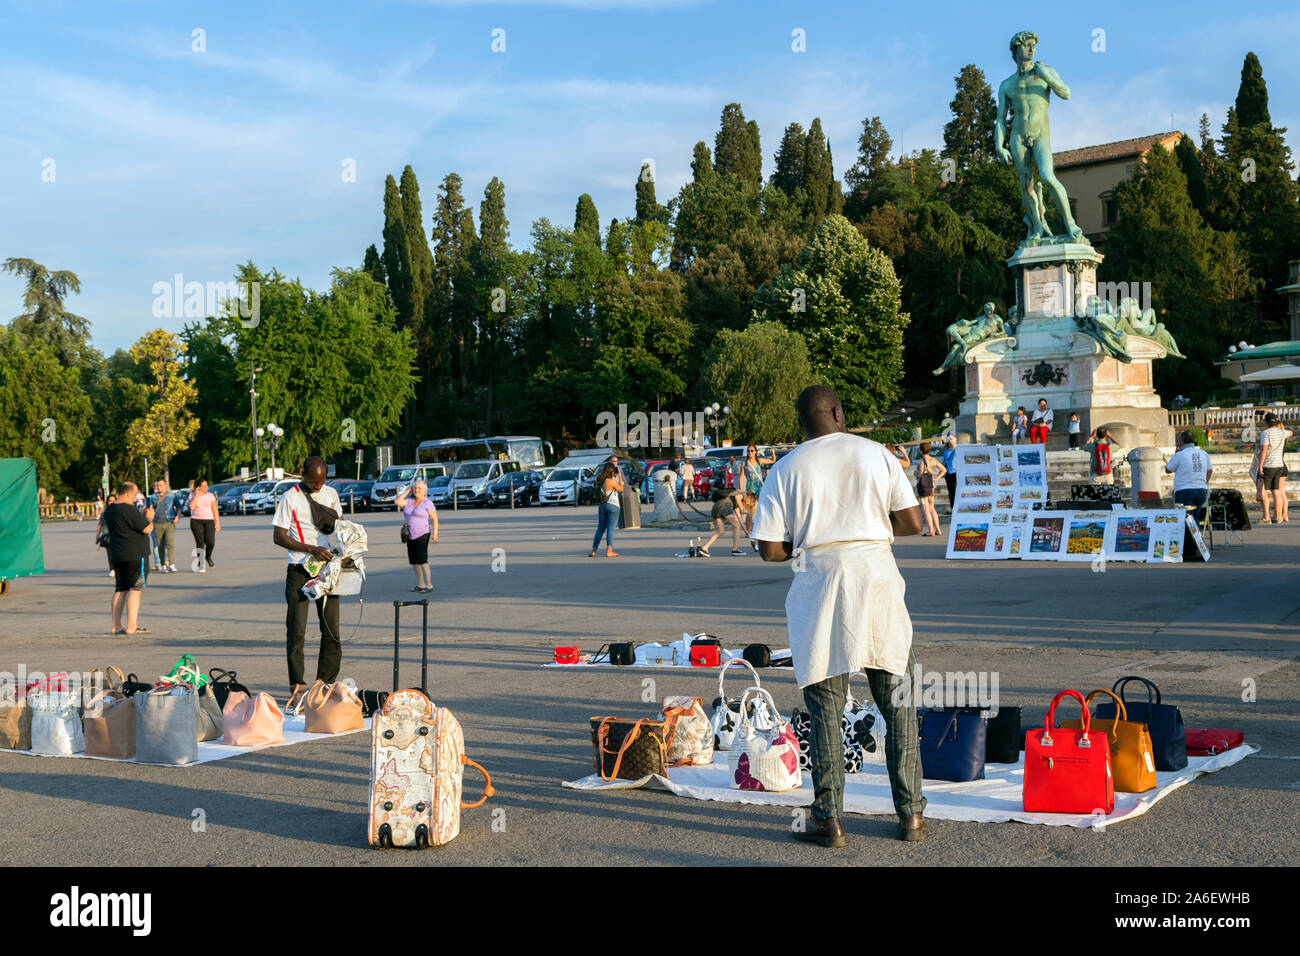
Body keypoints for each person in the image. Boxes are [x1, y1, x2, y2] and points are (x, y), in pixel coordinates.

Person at [753, 385, 926, 847]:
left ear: (803, 421)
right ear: (837, 411)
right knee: (898, 700)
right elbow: (912, 522)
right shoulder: (877, 454)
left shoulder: (784, 468)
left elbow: (769, 549)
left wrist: (814, 538)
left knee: (826, 707)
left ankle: (829, 818)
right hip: (876, 577)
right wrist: (864, 532)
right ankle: (911, 814)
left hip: (819, 582)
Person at [273, 458, 344, 707]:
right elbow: (278, 536)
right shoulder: (290, 497)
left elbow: (340, 528)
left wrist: (346, 549)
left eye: (321, 481)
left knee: (331, 629)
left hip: (326, 570)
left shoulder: (332, 493)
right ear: (302, 475)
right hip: (299, 569)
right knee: (297, 630)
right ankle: (298, 685)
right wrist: (311, 548)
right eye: (313, 481)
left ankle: (324, 683)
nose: (317, 486)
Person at [102, 482, 154, 635]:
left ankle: (116, 626)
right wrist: (149, 518)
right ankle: (132, 626)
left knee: (120, 589)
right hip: (136, 554)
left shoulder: (110, 509)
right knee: (135, 589)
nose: (136, 496)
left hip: (118, 554)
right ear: (128, 493)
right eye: (135, 493)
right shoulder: (129, 509)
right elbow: (147, 529)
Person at [395, 479, 438, 592]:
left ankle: (429, 585)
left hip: (423, 533)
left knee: (422, 559)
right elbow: (397, 501)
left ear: (424, 490)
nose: (417, 490)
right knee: (414, 561)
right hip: (410, 534)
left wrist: (435, 534)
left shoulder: (427, 503)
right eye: (415, 488)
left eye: (419, 488)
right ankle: (421, 584)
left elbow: (434, 519)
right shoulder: (409, 501)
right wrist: (408, 490)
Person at [1165, 430, 1213, 525]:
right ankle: (1198, 538)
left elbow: (1168, 469)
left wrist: (1175, 454)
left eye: (1178, 441)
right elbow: (1210, 471)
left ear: (1182, 441)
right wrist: (1203, 483)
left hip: (1184, 491)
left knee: (1187, 522)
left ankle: (1193, 539)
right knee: (1194, 519)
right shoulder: (1203, 453)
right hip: (1200, 491)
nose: (1177, 443)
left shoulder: (1179, 455)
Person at [1257, 412, 1292, 523]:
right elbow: (1290, 432)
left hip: (1268, 464)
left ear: (1265, 422)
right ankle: (1278, 516)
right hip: (1279, 465)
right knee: (1276, 491)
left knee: (1262, 489)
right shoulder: (1282, 432)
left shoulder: (1265, 433)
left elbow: (1264, 450)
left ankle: (1266, 516)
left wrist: (1260, 465)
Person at [700, 490, 755, 557]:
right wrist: (742, 509)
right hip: (723, 506)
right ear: (750, 498)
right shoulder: (744, 494)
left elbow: (739, 518)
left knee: (721, 531)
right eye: (750, 502)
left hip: (716, 507)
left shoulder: (736, 502)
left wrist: (745, 530)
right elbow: (737, 497)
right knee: (736, 525)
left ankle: (704, 548)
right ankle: (735, 550)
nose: (748, 504)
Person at [589, 461, 624, 557]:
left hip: (602, 505)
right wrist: (620, 477)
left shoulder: (599, 479)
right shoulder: (611, 481)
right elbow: (621, 489)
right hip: (613, 506)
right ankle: (609, 550)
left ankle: (594, 550)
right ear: (612, 471)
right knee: (610, 529)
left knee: (600, 529)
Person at [914, 441, 947, 536]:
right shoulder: (933, 460)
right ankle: (938, 529)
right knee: (932, 508)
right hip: (931, 485)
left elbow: (920, 475)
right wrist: (936, 478)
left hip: (923, 487)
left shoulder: (921, 462)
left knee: (926, 509)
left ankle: (931, 530)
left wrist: (916, 473)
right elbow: (944, 470)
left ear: (921, 451)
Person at [188, 478, 220, 571]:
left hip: (209, 521)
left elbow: (215, 510)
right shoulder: (192, 495)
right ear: (198, 487)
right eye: (204, 486)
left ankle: (208, 557)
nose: (206, 487)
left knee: (210, 542)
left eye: (207, 485)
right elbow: (191, 507)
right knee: (200, 543)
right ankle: (200, 564)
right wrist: (196, 495)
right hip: (196, 521)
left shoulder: (210, 496)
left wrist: (217, 522)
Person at [150, 478, 181, 573]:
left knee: (170, 544)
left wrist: (177, 516)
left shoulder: (172, 495)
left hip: (169, 522)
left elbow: (179, 506)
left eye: (160, 485)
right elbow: (150, 509)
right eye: (157, 485)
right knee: (160, 545)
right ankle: (163, 565)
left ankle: (171, 565)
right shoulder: (152, 497)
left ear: (165, 485)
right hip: (157, 523)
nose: (159, 487)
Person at [941, 434, 958, 514]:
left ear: (955, 440)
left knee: (956, 491)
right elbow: (944, 462)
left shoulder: (958, 449)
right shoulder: (946, 451)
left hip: (956, 473)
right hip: (948, 474)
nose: (950, 440)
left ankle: (957, 507)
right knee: (951, 491)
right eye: (949, 439)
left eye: (951, 439)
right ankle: (952, 507)